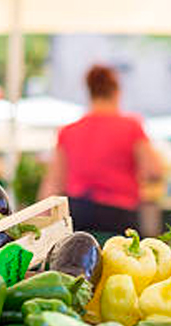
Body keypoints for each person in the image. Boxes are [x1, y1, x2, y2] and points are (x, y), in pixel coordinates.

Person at [39, 64, 162, 234]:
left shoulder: (69, 131)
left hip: (78, 212)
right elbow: (154, 171)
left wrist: (42, 222)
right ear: (117, 92)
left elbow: (53, 182)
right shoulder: (131, 127)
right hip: (119, 214)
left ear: (89, 92)